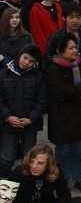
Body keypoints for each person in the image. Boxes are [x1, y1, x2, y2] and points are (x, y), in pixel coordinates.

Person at [45, 35, 81, 193]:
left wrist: (80, 93)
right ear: (59, 51)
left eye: (75, 47)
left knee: (79, 150)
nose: (75, 50)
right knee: (64, 152)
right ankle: (61, 181)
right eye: (71, 48)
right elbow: (61, 93)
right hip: (63, 119)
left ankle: (79, 178)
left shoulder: (78, 65)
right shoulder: (53, 70)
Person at [0, 46, 48, 175]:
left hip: (29, 124)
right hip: (7, 124)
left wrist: (31, 119)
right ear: (20, 55)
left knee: (28, 158)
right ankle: (4, 185)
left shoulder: (39, 77)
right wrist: (8, 117)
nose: (26, 62)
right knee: (6, 157)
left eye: (31, 61)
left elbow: (42, 101)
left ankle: (25, 185)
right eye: (25, 58)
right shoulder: (4, 74)